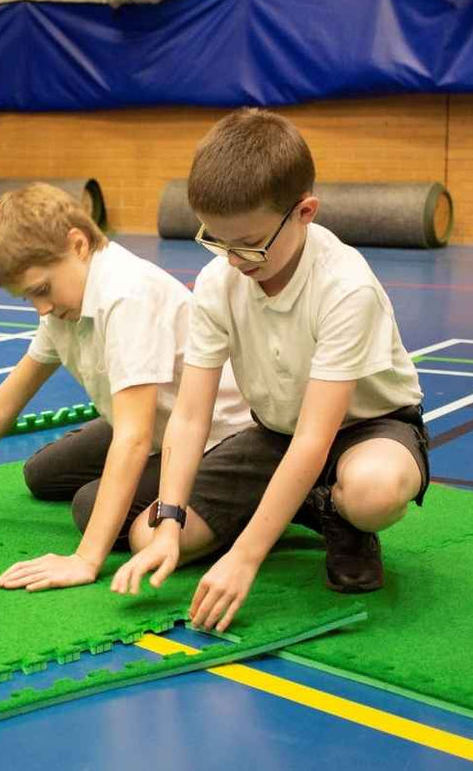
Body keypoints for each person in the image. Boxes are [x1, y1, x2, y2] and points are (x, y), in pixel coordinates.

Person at [113, 109, 429, 632]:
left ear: (305, 212)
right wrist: (169, 520)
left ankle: (337, 511)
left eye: (250, 243)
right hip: (277, 434)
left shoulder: (345, 287)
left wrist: (245, 558)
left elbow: (315, 439)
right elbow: (191, 417)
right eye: (217, 240)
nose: (235, 259)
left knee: (373, 491)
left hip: (367, 431)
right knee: (147, 536)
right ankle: (297, 505)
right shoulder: (219, 281)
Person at [0, 182, 252, 592]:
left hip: (215, 438)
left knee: (91, 508)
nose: (41, 308)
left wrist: (85, 558)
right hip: (154, 425)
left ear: (78, 245)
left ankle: (241, 512)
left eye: (42, 289)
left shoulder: (126, 295)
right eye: (28, 298)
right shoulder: (64, 308)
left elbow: (132, 439)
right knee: (43, 473)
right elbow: (2, 405)